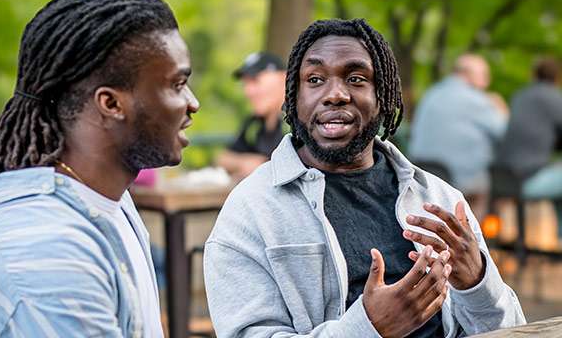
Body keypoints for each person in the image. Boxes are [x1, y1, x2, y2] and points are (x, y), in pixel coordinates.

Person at [204, 19, 525, 337]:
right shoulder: (250, 212)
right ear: (293, 98)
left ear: (382, 95)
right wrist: (368, 329)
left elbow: (513, 331)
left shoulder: (440, 200)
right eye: (315, 79)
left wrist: (477, 284)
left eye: (356, 78)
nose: (335, 95)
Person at [0, 0, 199, 337]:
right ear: (111, 104)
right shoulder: (47, 254)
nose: (192, 103)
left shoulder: (106, 201)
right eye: (177, 84)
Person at [409, 54, 507, 221]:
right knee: (486, 186)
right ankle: (476, 241)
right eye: (484, 76)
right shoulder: (477, 100)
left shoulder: (431, 94)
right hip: (458, 179)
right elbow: (504, 132)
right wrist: (501, 108)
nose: (487, 82)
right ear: (468, 74)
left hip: (421, 175)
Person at [495, 57, 562, 235]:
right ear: (557, 77)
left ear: (533, 75)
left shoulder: (520, 96)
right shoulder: (554, 97)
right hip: (527, 180)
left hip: (502, 177)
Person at [216, 52, 287, 179]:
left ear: (283, 78)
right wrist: (243, 162)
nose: (248, 91)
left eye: (255, 81)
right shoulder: (254, 124)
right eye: (245, 83)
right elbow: (222, 158)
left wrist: (263, 167)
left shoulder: (301, 121)